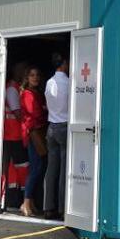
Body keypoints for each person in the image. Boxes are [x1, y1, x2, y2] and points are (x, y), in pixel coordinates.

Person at [43, 51, 70, 220]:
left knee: (51, 169)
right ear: (65, 63)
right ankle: (61, 208)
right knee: (63, 171)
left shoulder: (49, 82)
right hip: (64, 127)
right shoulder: (69, 83)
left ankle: (48, 207)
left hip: (51, 127)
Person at [19, 66, 48, 217]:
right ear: (27, 78)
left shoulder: (37, 93)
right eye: (31, 75)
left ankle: (31, 202)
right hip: (34, 134)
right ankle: (25, 202)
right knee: (36, 168)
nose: (35, 78)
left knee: (40, 167)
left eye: (37, 75)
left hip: (39, 132)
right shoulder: (27, 94)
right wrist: (45, 110)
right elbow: (34, 113)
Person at [1, 61, 28, 211]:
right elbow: (18, 113)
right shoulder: (12, 89)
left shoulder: (15, 88)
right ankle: (13, 199)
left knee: (18, 167)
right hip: (13, 135)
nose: (23, 73)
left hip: (14, 135)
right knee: (21, 166)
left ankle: (14, 199)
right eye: (22, 70)